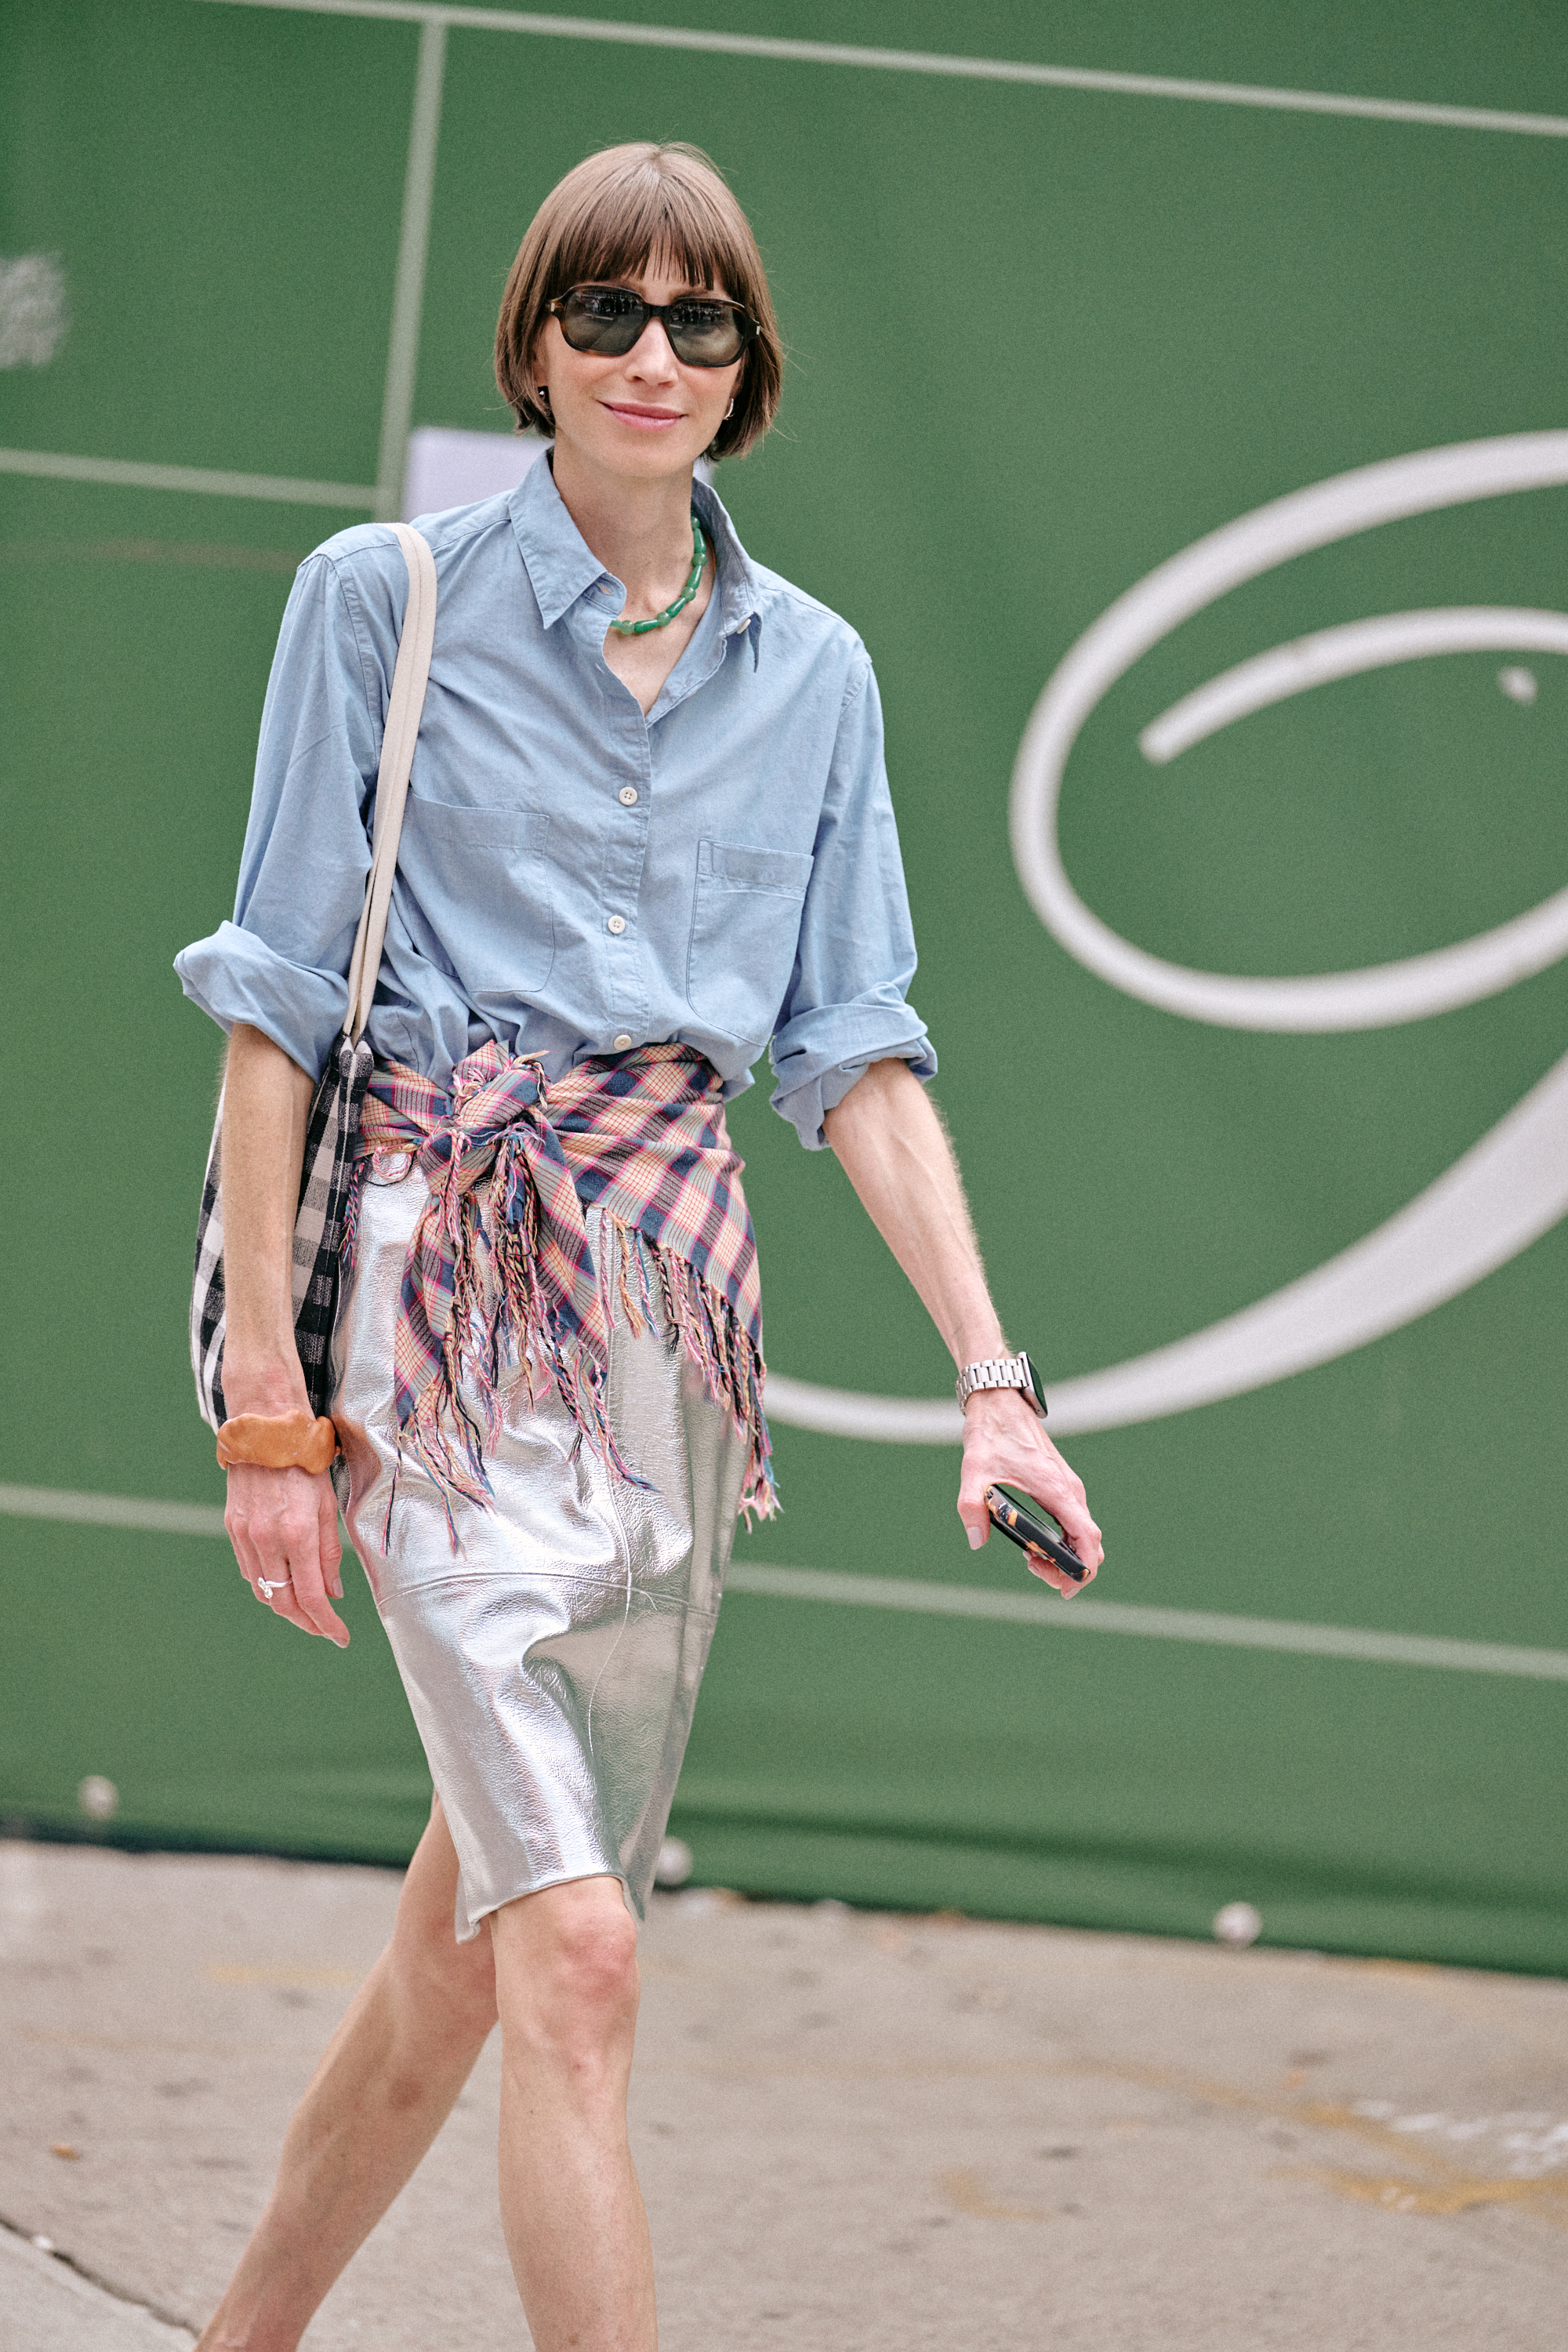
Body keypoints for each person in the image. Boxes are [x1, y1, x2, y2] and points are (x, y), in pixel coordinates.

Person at [176, 140, 1102, 2352]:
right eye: (609, 312)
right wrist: (270, 1421)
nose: (655, 355)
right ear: (534, 345)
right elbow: (275, 1019)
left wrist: (998, 1385)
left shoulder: (824, 678)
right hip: (424, 1313)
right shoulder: (378, 601)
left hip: (665, 1352)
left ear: (750, 367)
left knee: (478, 1944)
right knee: (581, 1957)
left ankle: (239, 2341)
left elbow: (857, 1057)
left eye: (703, 320)